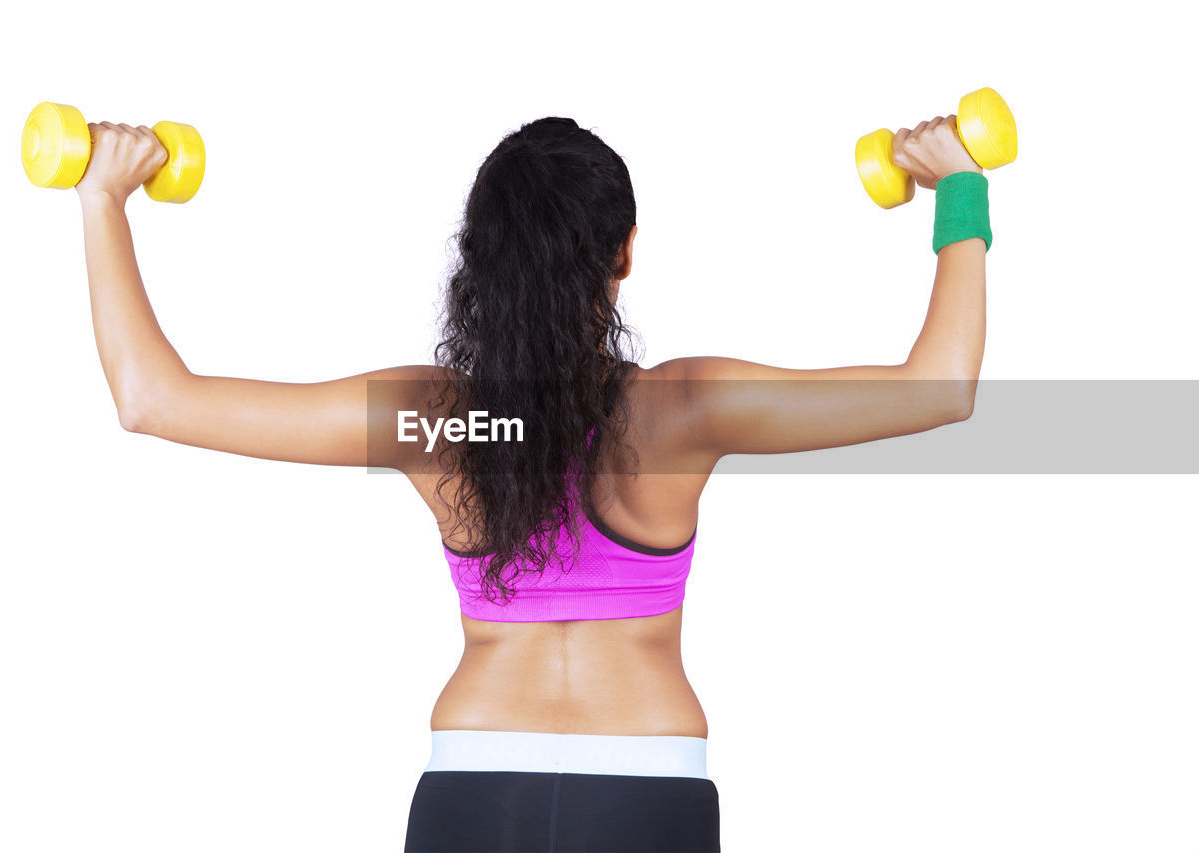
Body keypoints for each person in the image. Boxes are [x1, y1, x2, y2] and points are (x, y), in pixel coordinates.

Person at [72, 113, 989, 852]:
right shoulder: (685, 409)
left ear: (479, 258)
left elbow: (153, 399)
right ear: (624, 250)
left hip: (474, 782)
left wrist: (103, 194)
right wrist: (957, 187)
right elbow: (941, 388)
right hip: (649, 786)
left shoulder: (436, 422)